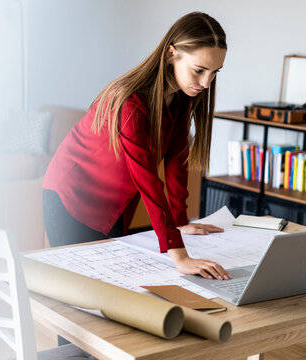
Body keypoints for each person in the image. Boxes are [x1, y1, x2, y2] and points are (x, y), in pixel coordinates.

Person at [43, 12, 231, 281]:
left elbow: (177, 161)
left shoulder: (181, 98)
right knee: (79, 288)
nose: (206, 83)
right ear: (170, 54)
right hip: (72, 199)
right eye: (199, 70)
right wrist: (179, 256)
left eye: (214, 73)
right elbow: (148, 181)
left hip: (115, 206)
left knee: (113, 285)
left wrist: (180, 221)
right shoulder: (130, 103)